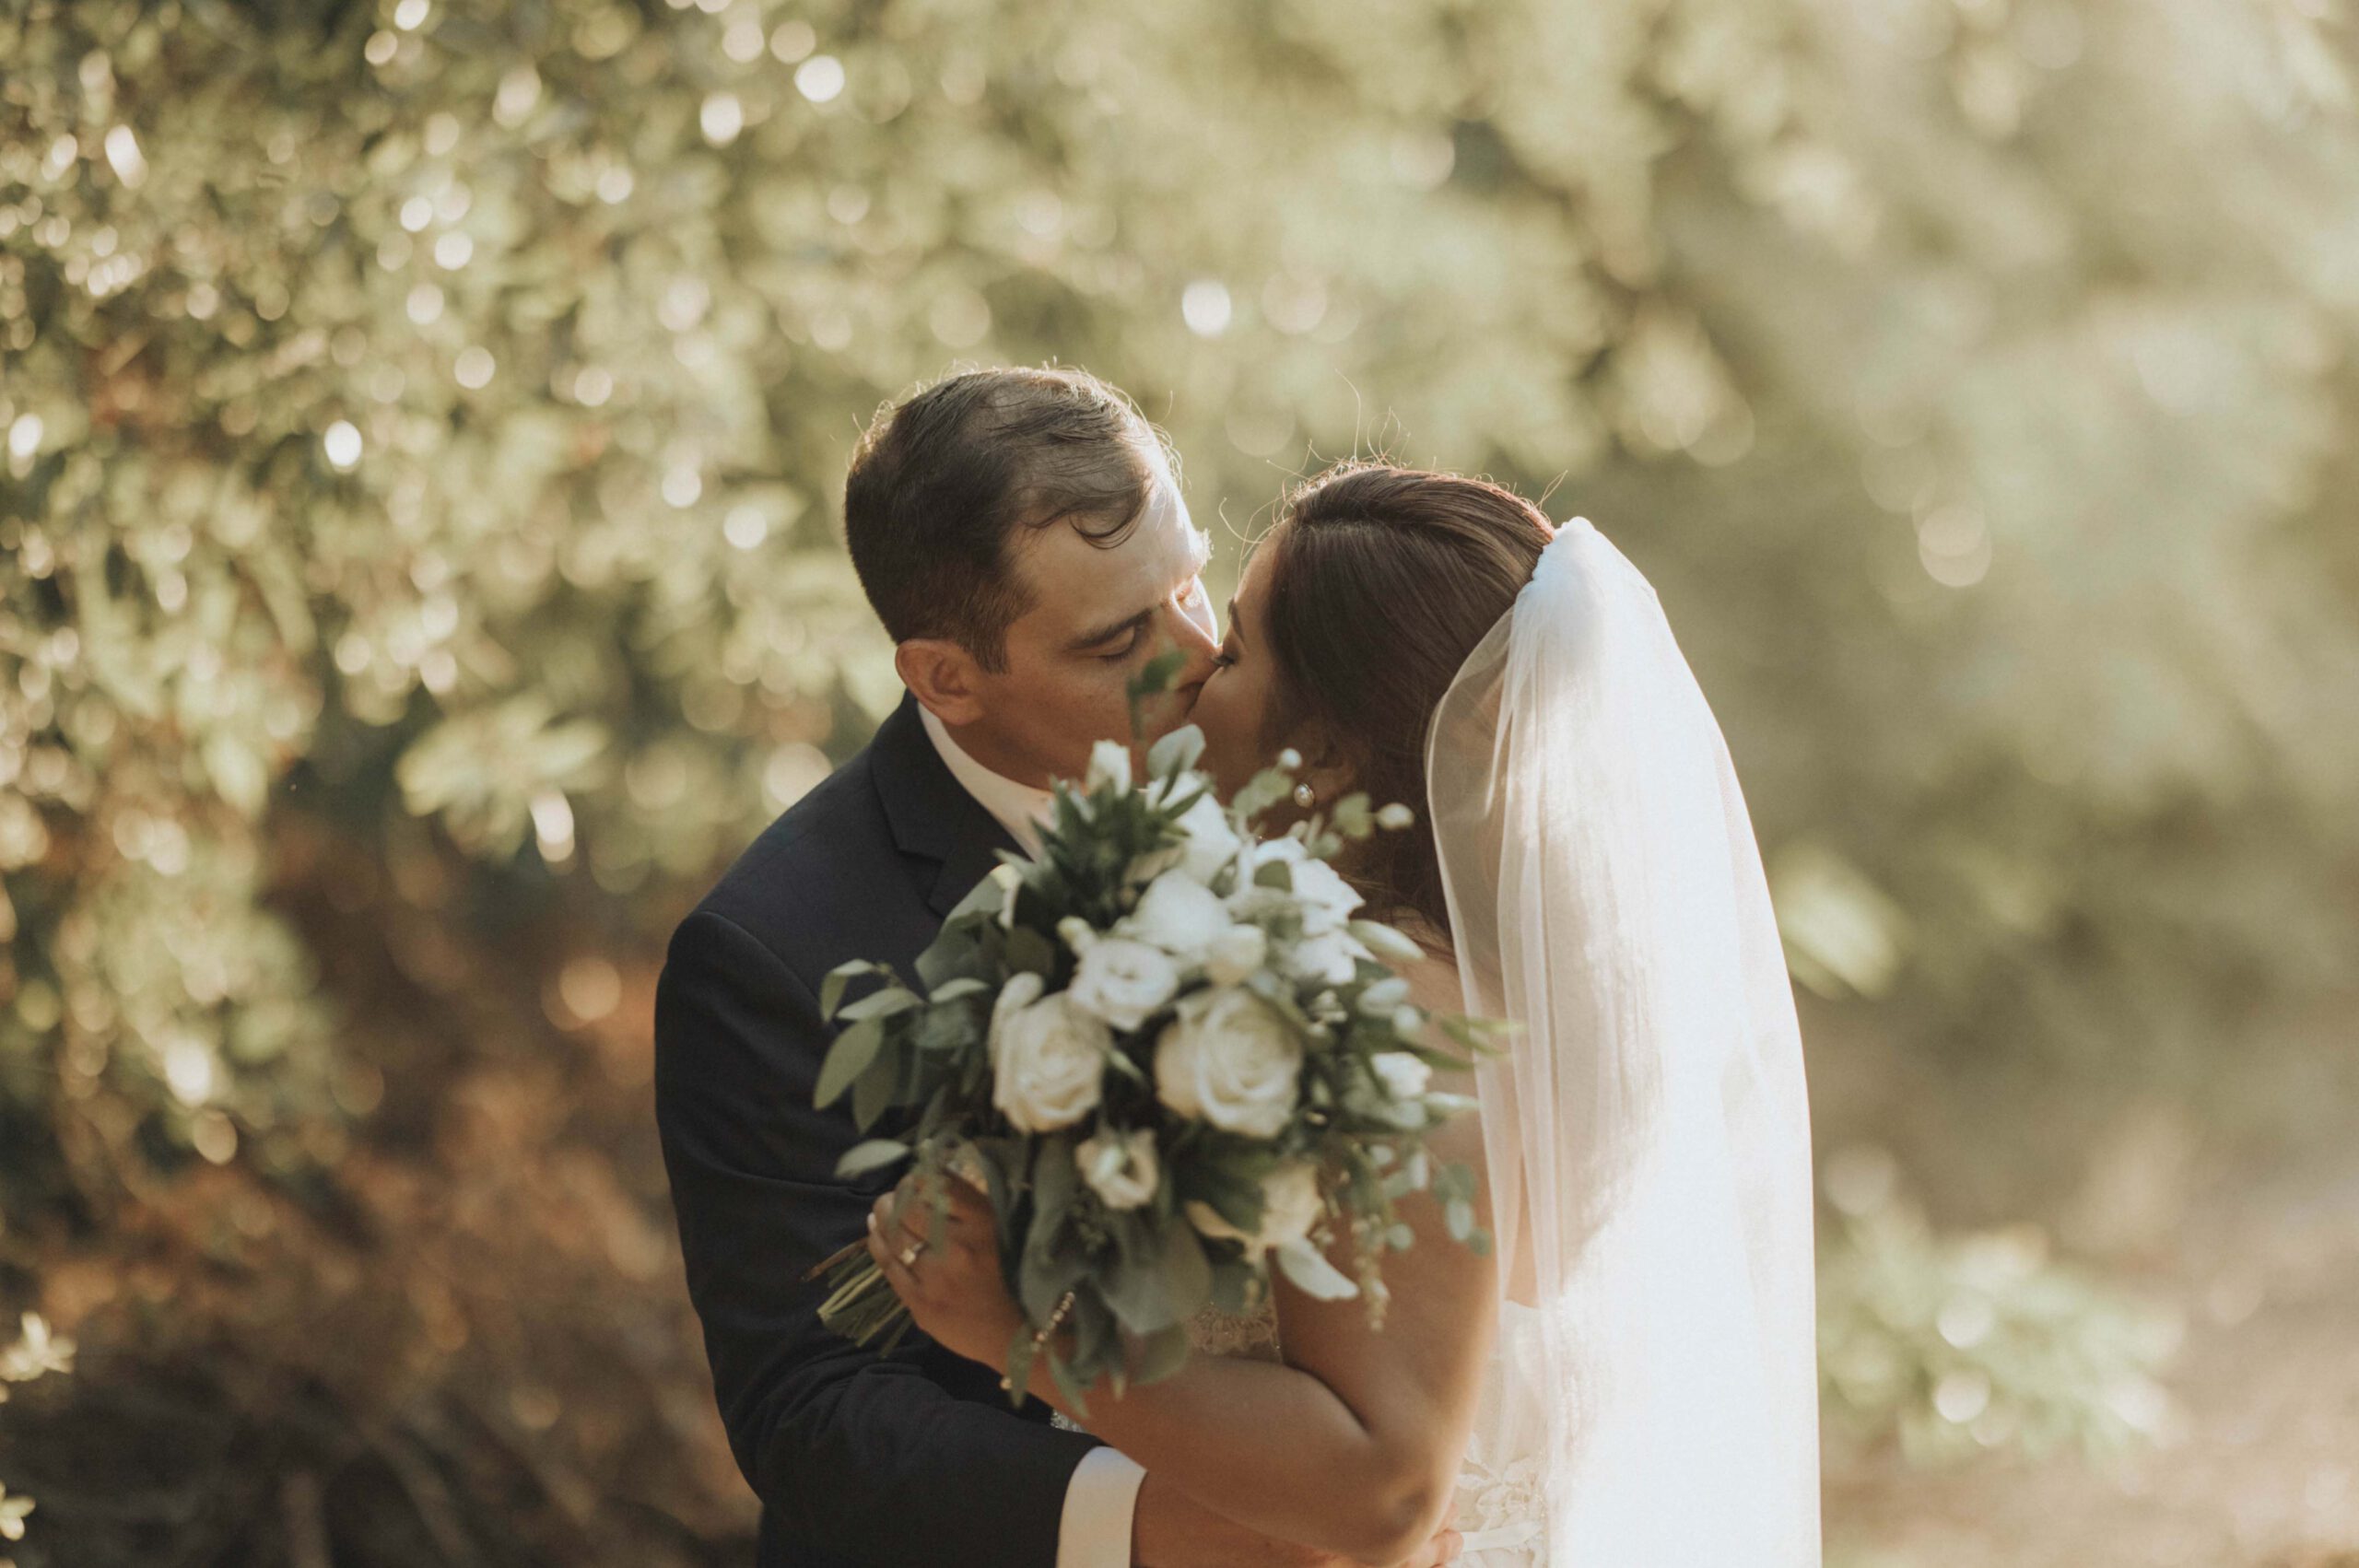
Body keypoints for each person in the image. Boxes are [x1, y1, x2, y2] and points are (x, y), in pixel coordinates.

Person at [870, 463, 1823, 1567]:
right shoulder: (1540, 990)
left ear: (1322, 754)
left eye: (1233, 651)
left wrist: (1023, 1326)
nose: (1194, 670)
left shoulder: (1377, 1000)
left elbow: (1387, 1487)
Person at [654, 371, 1463, 1568]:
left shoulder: (1301, 774)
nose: (1199, 654)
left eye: (1188, 585)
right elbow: (812, 1408)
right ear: (946, 676)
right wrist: (1170, 1531)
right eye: (1118, 639)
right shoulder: (772, 948)